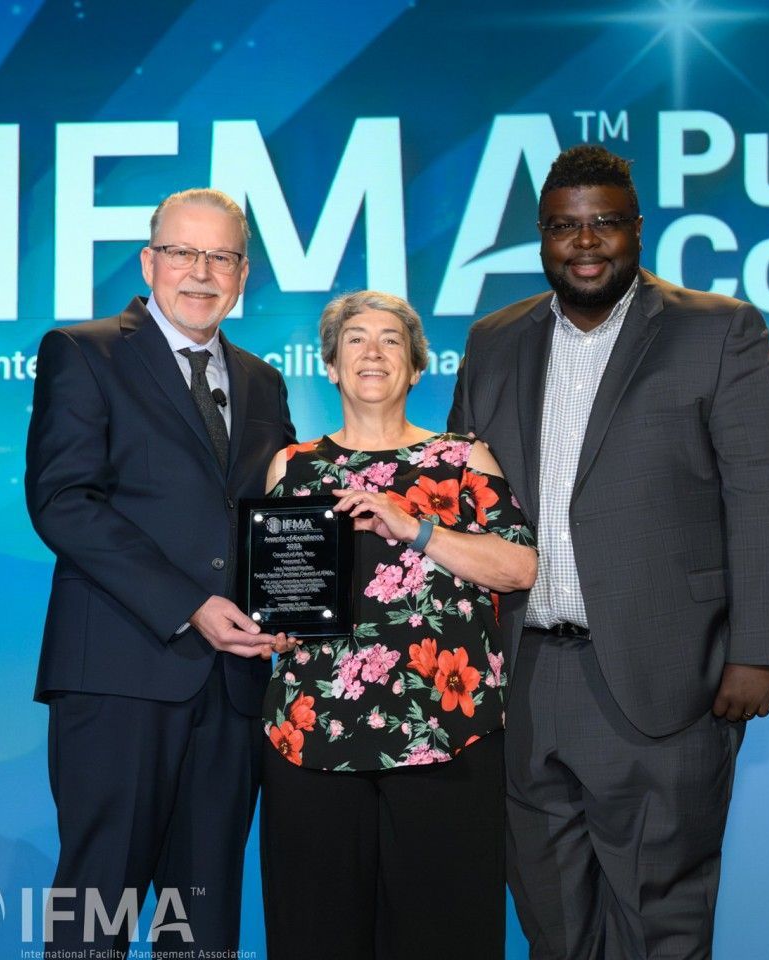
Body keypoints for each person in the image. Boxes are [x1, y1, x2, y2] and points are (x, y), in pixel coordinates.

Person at [449, 144, 769, 959]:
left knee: (659, 928)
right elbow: (463, 503)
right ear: (541, 236)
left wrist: (757, 651)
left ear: (637, 230)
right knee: (555, 929)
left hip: (666, 680)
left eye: (605, 223)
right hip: (525, 679)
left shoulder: (716, 331)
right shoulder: (493, 341)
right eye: (565, 227)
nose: (586, 243)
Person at [26, 188, 296, 957]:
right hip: (119, 671)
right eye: (183, 252)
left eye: (221, 257)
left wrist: (288, 604)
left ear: (243, 274)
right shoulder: (84, 351)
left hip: (233, 684)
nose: (201, 273)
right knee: (97, 911)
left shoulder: (262, 381)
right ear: (150, 262)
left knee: (203, 919)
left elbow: (273, 522)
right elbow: (62, 502)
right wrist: (191, 605)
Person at [258, 290, 535, 959]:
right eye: (355, 338)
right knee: (314, 937)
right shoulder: (292, 468)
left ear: (415, 369)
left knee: (447, 939)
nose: (373, 351)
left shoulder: (466, 459)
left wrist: (415, 526)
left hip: (446, 735)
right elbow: (270, 590)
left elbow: (518, 567)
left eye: (391, 340)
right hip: (312, 736)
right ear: (329, 365)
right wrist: (273, 626)